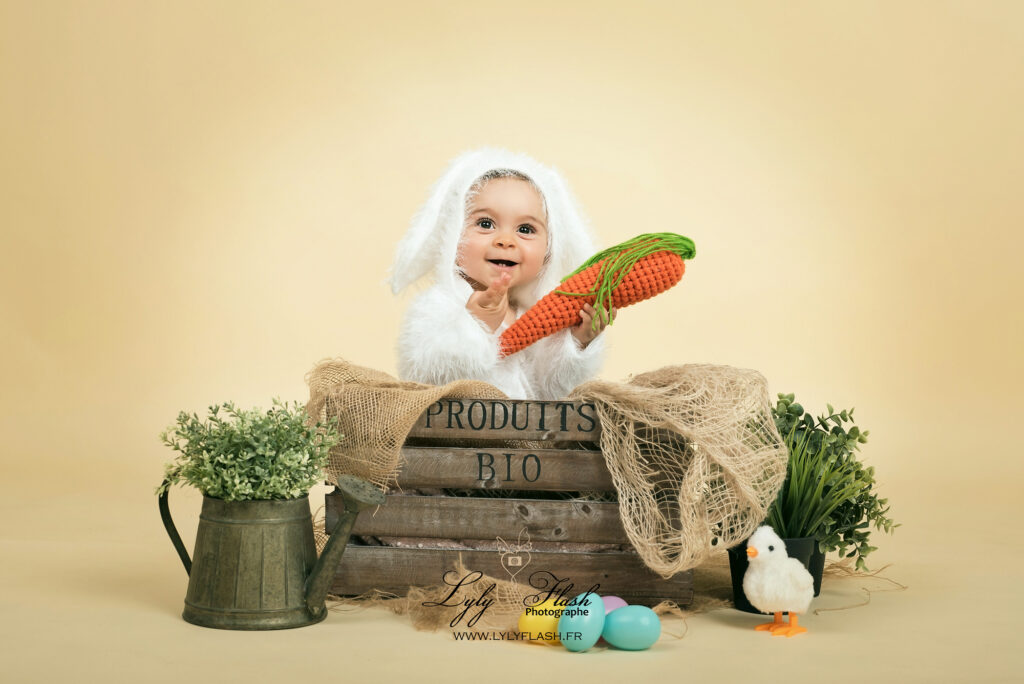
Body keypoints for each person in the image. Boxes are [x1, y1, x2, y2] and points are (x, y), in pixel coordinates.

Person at [389, 148, 611, 399]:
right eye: (485, 224)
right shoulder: (441, 303)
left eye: (525, 229)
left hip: (528, 437)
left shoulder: (532, 313)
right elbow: (423, 373)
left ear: (549, 249)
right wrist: (475, 325)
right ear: (452, 234)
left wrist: (577, 343)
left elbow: (552, 393)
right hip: (453, 437)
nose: (506, 240)